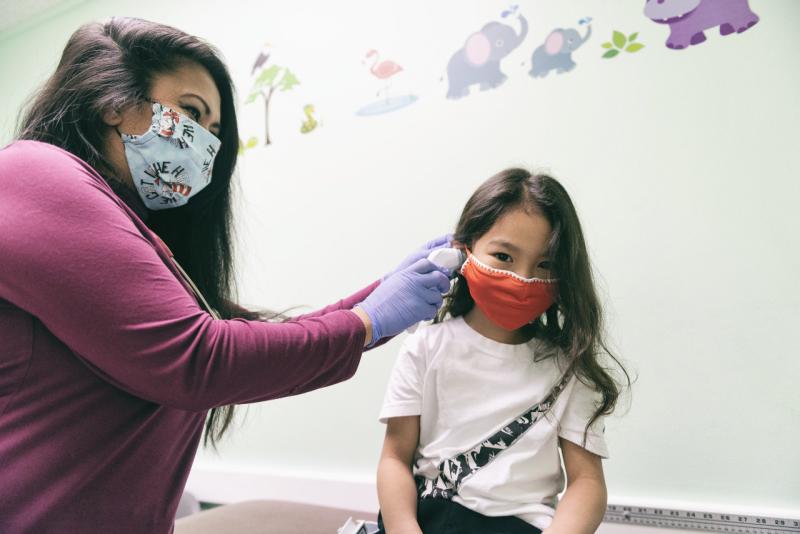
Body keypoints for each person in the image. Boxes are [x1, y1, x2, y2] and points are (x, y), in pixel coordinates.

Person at [0, 17, 451, 533]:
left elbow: (245, 342)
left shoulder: (131, 229)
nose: (205, 147)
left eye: (213, 132)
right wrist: (369, 319)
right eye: (191, 113)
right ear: (114, 102)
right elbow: (201, 358)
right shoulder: (33, 174)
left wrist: (387, 294)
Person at [376, 169, 630, 534]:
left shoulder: (569, 367)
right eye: (504, 257)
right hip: (429, 517)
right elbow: (394, 460)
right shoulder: (425, 347)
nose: (523, 279)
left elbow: (587, 483)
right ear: (466, 251)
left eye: (545, 265)